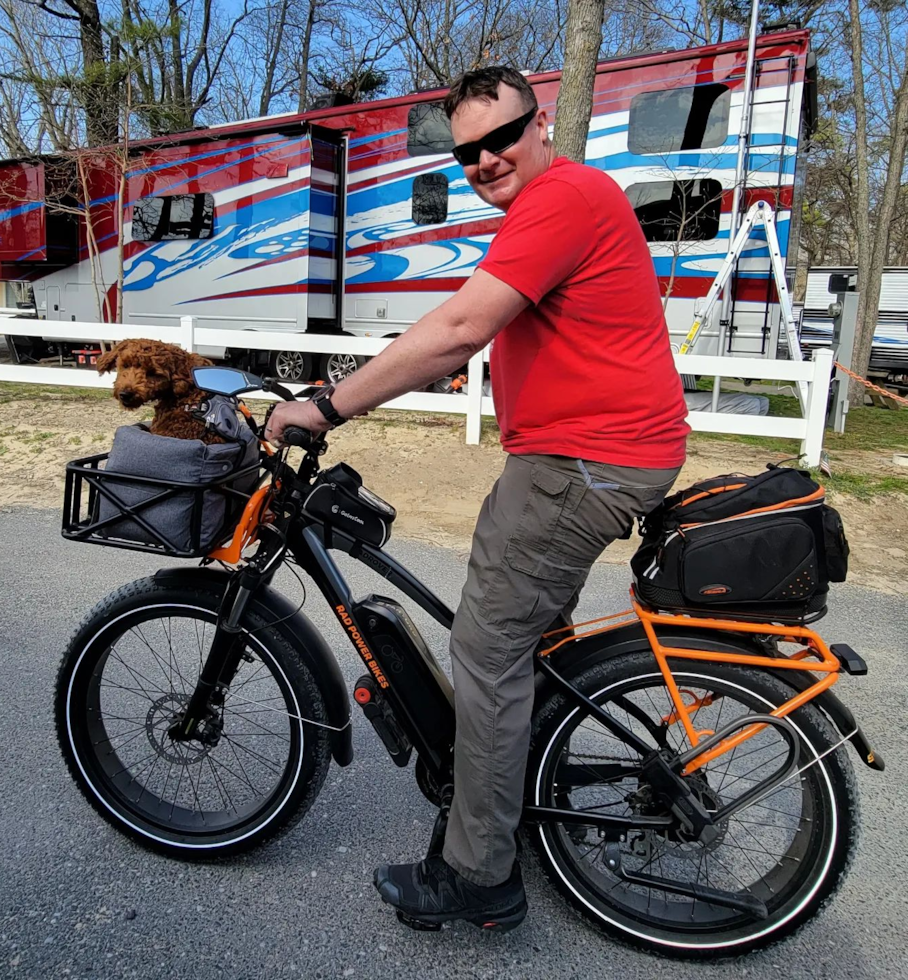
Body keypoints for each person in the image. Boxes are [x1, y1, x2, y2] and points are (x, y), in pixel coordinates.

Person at [265, 66, 690, 931]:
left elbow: (460, 330)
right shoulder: (555, 206)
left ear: (544, 123)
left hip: (584, 466)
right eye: (469, 151)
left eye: (502, 137)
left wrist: (327, 407)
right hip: (585, 459)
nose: (488, 159)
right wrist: (345, 375)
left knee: (489, 652)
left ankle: (478, 877)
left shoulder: (561, 197)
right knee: (525, 640)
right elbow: (456, 329)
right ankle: (515, 785)